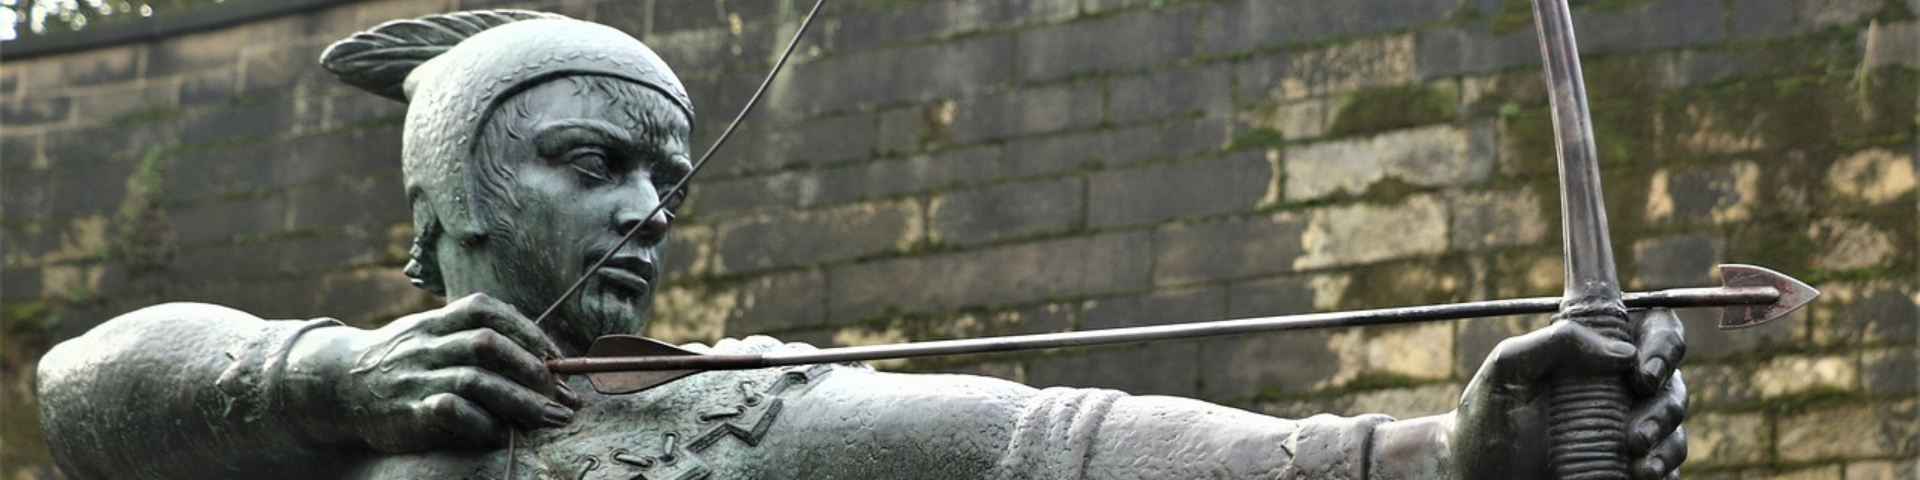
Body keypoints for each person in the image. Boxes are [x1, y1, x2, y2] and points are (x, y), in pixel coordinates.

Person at [37, 11, 1688, 479]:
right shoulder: (306, 430)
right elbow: (80, 387)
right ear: (443, 205)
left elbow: (1056, 441)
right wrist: (327, 380)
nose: (642, 213)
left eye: (665, 182)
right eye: (591, 162)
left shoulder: (733, 419)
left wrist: (1425, 455)